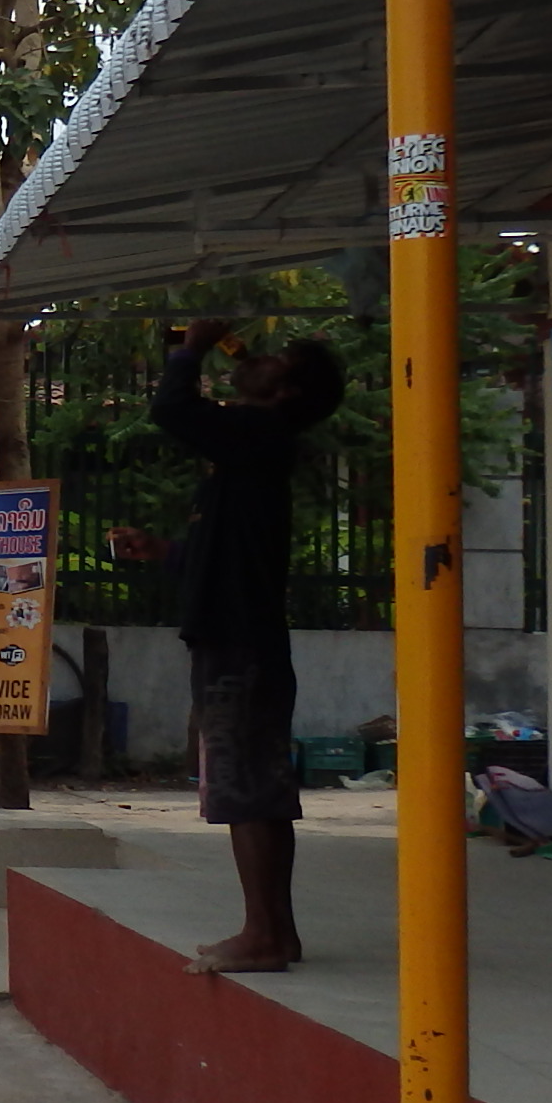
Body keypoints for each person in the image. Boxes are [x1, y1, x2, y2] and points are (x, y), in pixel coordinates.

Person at [153, 317, 347, 972]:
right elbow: (225, 552)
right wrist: (165, 552)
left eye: (275, 360)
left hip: (236, 641)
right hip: (244, 636)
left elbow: (173, 410)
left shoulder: (258, 433)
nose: (255, 358)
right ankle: (276, 932)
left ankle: (263, 935)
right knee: (258, 785)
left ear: (285, 391)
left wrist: (191, 350)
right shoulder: (252, 447)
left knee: (243, 786)